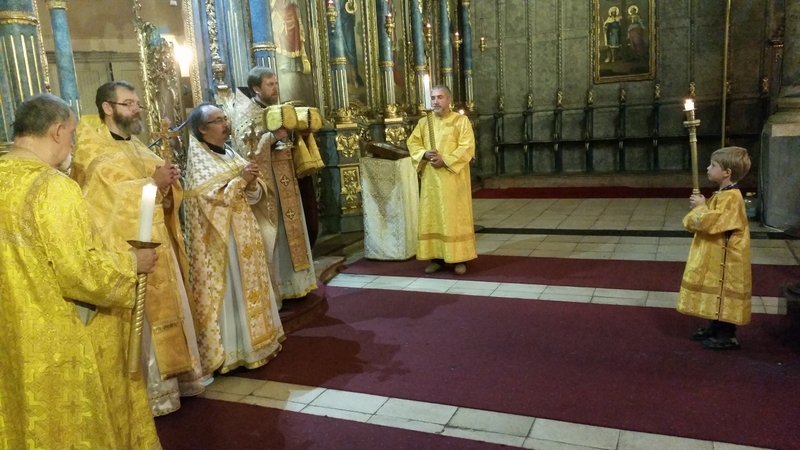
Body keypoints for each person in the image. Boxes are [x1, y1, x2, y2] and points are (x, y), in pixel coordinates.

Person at [0, 93, 159, 449]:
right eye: (72, 134)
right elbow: (80, 273)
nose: (72, 143)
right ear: (57, 131)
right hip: (54, 341)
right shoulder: (53, 187)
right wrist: (132, 263)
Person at [71, 81, 204, 417]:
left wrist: (168, 184)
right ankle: (154, 394)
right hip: (126, 251)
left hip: (157, 244)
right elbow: (103, 202)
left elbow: (158, 191)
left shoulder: (136, 146)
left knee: (170, 307)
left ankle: (178, 381)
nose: (136, 109)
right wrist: (152, 184)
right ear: (107, 108)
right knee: (142, 321)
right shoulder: (92, 150)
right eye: (128, 103)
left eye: (137, 103)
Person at [184, 102, 284, 377]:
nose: (225, 124)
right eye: (217, 120)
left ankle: (259, 343)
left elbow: (252, 194)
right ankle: (234, 351)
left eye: (224, 118)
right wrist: (241, 181)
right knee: (233, 291)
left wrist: (251, 183)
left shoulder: (229, 153)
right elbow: (206, 199)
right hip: (222, 242)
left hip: (245, 233)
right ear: (202, 129)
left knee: (250, 286)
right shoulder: (199, 162)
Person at [228, 66, 318, 307]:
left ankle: (296, 284)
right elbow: (245, 151)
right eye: (270, 84)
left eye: (276, 83)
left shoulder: (276, 110)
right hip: (267, 185)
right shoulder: (246, 114)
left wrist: (300, 132)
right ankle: (278, 287)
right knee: (274, 234)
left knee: (293, 230)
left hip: (286, 178)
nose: (275, 88)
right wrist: (272, 137)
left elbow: (287, 140)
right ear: (256, 88)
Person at [677, 147, 752, 350]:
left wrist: (701, 207)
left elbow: (711, 223)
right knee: (716, 291)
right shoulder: (723, 194)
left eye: (713, 165)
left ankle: (726, 335)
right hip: (717, 254)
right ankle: (714, 326)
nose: (708, 168)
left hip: (727, 258)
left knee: (724, 293)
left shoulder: (732, 197)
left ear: (727, 172)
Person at [406, 85, 477, 275]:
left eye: (440, 97)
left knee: (454, 218)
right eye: (433, 98)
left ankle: (459, 259)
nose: (435, 101)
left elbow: (467, 146)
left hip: (453, 178)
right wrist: (424, 153)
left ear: (449, 100)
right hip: (431, 180)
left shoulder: (460, 121)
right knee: (433, 217)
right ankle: (436, 258)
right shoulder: (424, 122)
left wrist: (444, 160)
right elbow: (413, 143)